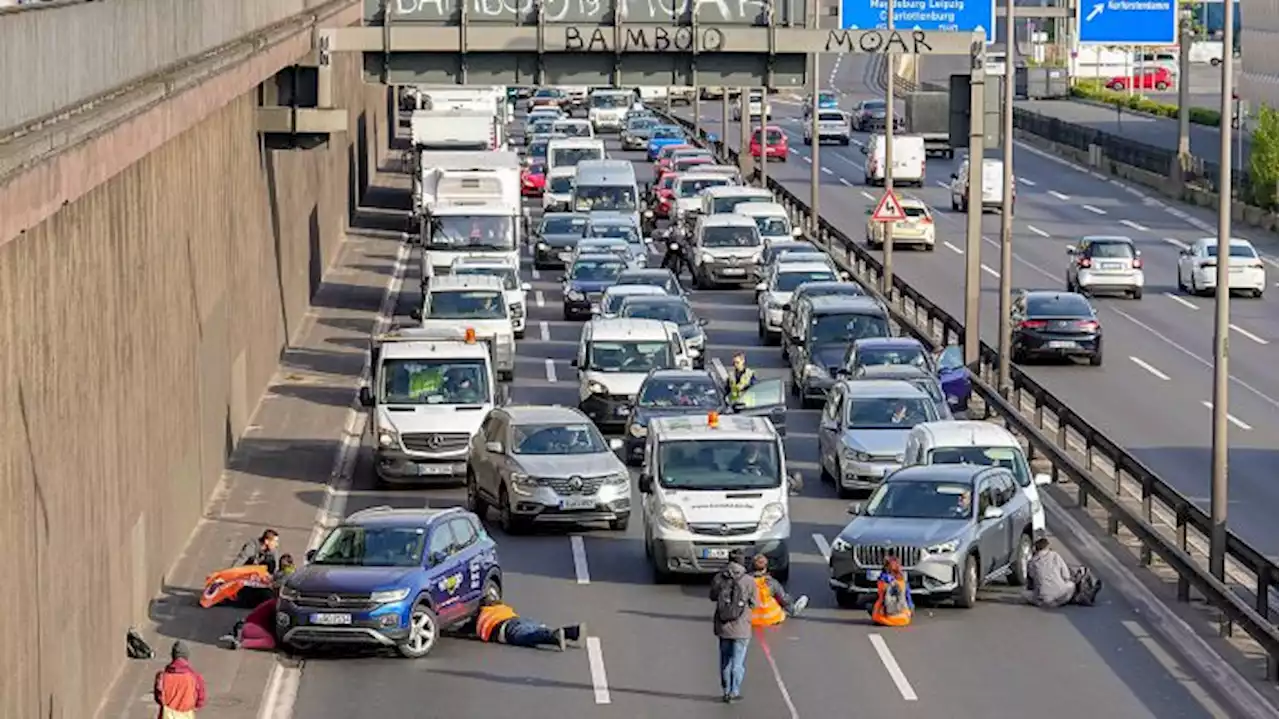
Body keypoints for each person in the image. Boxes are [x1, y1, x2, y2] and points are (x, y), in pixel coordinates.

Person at [709, 548, 757, 703]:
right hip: (742, 627)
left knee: (725, 660)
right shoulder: (749, 581)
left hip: (723, 626)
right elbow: (755, 603)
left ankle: (725, 689)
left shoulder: (719, 577)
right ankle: (734, 690)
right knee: (738, 661)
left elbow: (712, 596)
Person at [220, 555, 296, 651]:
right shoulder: (276, 604)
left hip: (248, 625)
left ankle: (239, 638)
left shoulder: (273, 601)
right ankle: (240, 643)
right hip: (251, 627)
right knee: (270, 642)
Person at [457, 596, 586, 651]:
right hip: (518, 620)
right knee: (535, 629)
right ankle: (572, 632)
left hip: (506, 629)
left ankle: (554, 636)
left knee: (529, 637)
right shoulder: (501, 608)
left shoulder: (482, 616)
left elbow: (464, 630)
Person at [1026, 537, 1103, 607]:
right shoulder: (1055, 556)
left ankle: (1083, 596)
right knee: (1071, 585)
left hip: (1042, 600)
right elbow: (1066, 576)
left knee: (1025, 594)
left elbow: (1031, 578)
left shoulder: (1032, 562)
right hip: (1059, 597)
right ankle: (1085, 595)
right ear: (1047, 547)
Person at [748, 554, 808, 629]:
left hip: (749, 619)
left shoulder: (745, 581)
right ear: (766, 568)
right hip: (771, 618)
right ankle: (793, 610)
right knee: (781, 601)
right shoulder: (771, 582)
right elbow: (783, 599)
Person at [154, 641, 207, 718]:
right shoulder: (195, 677)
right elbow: (200, 700)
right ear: (186, 657)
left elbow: (158, 698)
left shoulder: (162, 677)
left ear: (172, 656)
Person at [869, 556, 913, 627]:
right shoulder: (903, 582)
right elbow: (909, 600)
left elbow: (881, 592)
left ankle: (880, 615)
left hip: (882, 618)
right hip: (903, 619)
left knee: (871, 604)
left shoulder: (882, 581)